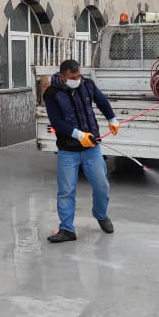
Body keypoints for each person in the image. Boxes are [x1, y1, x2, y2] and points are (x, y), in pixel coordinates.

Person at [42, 59, 120, 243]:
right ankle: (67, 229)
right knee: (66, 190)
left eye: (79, 76)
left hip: (91, 149)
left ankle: (100, 215)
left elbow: (101, 101)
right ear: (63, 77)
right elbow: (56, 122)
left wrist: (112, 119)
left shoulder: (87, 85)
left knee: (102, 186)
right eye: (73, 77)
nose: (77, 80)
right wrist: (78, 135)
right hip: (67, 151)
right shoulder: (52, 94)